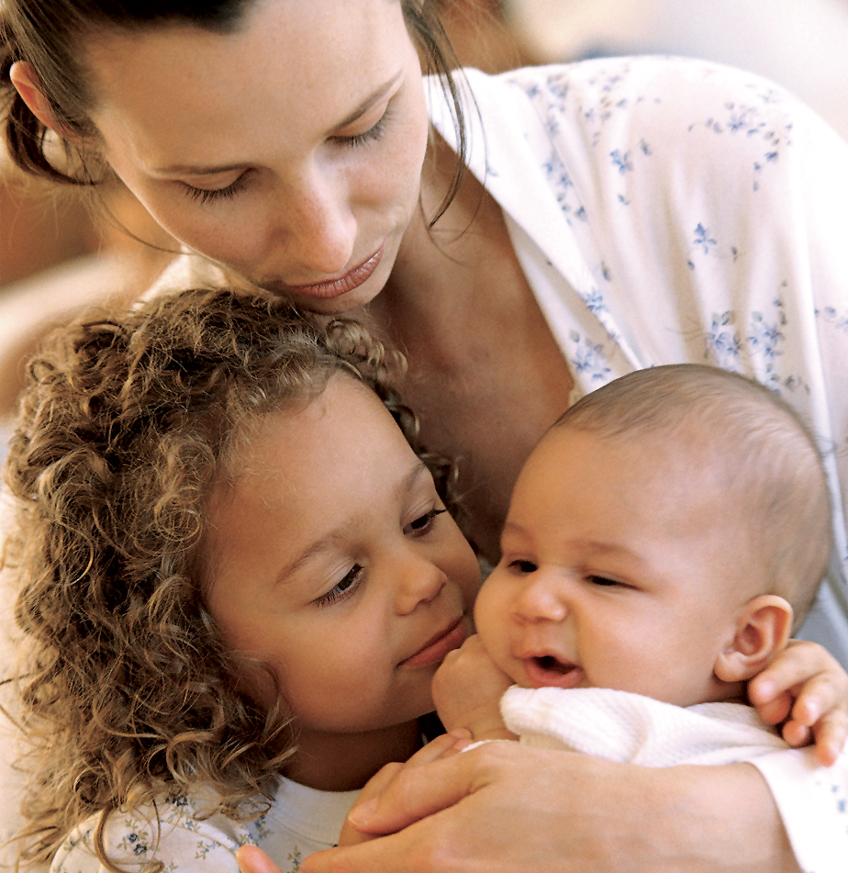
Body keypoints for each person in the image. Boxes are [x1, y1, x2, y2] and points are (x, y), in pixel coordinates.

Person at [2, 2, 848, 870]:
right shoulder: (139, 466)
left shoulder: (729, 174)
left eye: (363, 125)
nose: (328, 238)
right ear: (64, 120)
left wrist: (701, 822)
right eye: (217, 183)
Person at [0, 286, 482, 872]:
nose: (424, 580)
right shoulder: (156, 850)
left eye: (421, 518)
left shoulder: (525, 705)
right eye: (343, 580)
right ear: (183, 651)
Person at [431, 364, 847, 868]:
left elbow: (496, 830)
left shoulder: (616, 728)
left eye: (604, 580)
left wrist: (484, 728)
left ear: (746, 638)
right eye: (521, 562)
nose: (534, 600)